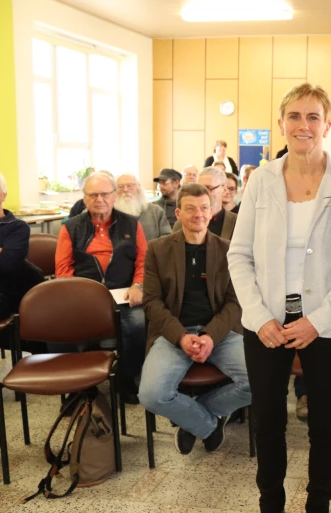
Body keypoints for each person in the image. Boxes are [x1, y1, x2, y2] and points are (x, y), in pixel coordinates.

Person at [227, 83, 331, 513]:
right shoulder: (261, 180)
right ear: (281, 124)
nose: (303, 125)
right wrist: (258, 317)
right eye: (295, 116)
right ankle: (270, 502)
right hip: (267, 323)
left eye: (313, 117)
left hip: (328, 326)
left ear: (327, 126)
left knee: (324, 425)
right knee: (268, 421)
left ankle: (318, 506)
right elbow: (239, 255)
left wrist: (319, 320)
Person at [139, 183, 251, 456]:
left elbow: (236, 302)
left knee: (261, 381)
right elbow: (151, 302)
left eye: (203, 208)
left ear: (212, 212)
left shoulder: (229, 250)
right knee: (151, 395)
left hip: (221, 334)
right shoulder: (158, 250)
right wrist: (181, 337)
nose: (197, 214)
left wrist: (210, 336)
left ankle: (193, 420)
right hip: (174, 334)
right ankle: (208, 424)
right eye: (190, 208)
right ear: (178, 213)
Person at [55, 172, 149, 403]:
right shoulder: (70, 228)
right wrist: (78, 294)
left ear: (114, 196)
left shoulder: (131, 224)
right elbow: (63, 268)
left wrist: (138, 285)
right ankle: (77, 385)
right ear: (84, 199)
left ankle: (126, 378)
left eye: (105, 194)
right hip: (84, 295)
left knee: (137, 323)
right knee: (64, 326)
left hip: (123, 293)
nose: (100, 199)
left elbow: (143, 261)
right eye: (93, 195)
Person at [0, 168, 31, 320]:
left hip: (2, 294)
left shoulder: (17, 228)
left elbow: (6, 265)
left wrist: (2, 256)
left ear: (4, 194)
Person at [173, 167, 236, 240]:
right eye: (199, 188)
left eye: (208, 188)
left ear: (224, 189)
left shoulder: (237, 222)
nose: (203, 194)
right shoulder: (182, 222)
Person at [116, 174, 171, 241]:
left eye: (130, 186)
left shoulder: (155, 211)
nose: (125, 190)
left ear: (139, 189)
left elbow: (167, 239)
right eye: (120, 187)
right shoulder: (108, 213)